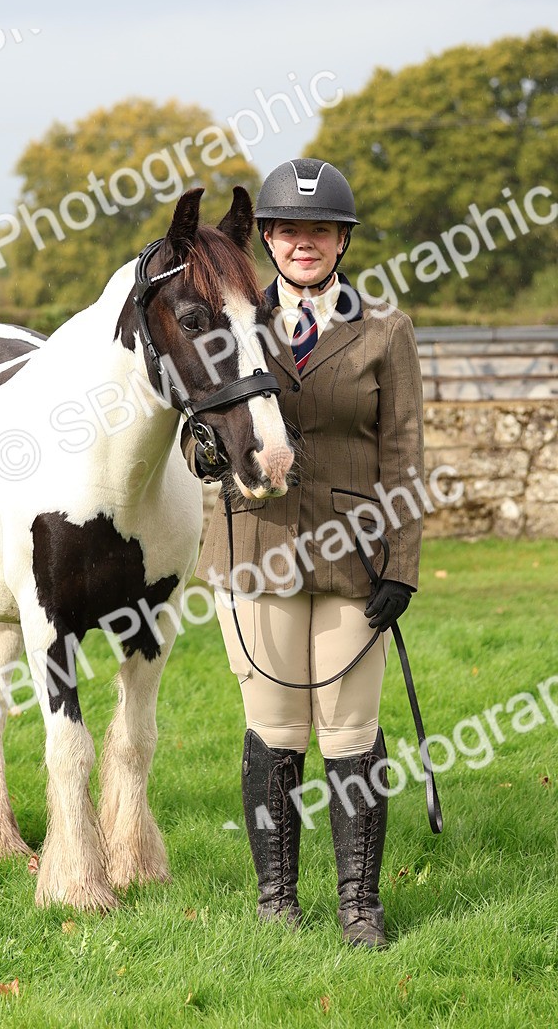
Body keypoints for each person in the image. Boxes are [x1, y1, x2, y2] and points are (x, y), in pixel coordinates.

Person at [182, 158, 424, 949]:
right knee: (274, 728)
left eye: (319, 230)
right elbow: (199, 429)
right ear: (272, 242)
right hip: (257, 547)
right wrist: (203, 456)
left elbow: (405, 455)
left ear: (342, 240)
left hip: (356, 556)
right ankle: (277, 901)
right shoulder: (232, 318)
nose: (303, 243)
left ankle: (360, 906)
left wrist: (402, 567)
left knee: (351, 732)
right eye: (289, 230)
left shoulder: (385, 328)